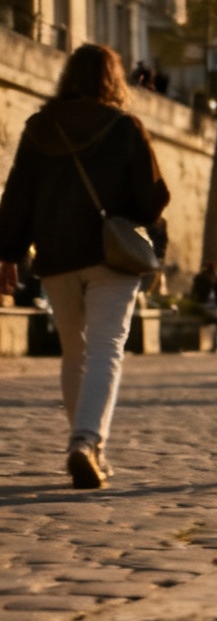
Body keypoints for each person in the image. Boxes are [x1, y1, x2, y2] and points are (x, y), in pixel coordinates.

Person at [0, 43, 169, 489]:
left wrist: (7, 254)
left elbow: (17, 196)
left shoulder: (40, 128)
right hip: (110, 254)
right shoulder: (125, 126)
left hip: (55, 257)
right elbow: (154, 196)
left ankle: (86, 444)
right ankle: (86, 441)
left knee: (73, 353)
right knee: (105, 349)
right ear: (113, 80)